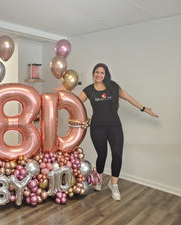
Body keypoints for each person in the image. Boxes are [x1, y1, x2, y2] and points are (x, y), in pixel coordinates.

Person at [56, 63, 158, 200]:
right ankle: (98, 180)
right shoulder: (89, 90)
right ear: (93, 74)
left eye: (102, 72)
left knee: (117, 155)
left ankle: (113, 184)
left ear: (106, 74)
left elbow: (128, 97)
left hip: (115, 127)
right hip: (97, 127)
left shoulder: (113, 87)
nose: (99, 75)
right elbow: (76, 103)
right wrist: (65, 94)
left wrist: (144, 108)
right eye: (97, 72)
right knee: (102, 155)